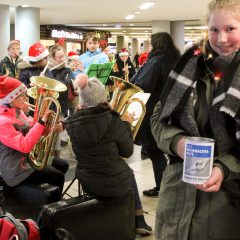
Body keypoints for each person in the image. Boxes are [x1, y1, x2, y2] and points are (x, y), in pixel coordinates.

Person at [151, 0, 240, 239]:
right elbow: (159, 119)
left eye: (230, 29)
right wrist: (177, 142)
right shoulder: (188, 66)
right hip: (177, 193)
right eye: (214, 30)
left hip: (226, 202)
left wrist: (223, 168)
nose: (221, 39)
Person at [64, 74, 152, 236]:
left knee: (119, 168)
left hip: (87, 179)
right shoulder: (113, 120)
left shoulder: (71, 123)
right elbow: (127, 151)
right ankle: (139, 220)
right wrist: (125, 123)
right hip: (113, 181)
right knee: (127, 171)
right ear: (102, 97)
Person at [131, 32, 181, 197]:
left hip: (154, 112)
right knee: (172, 149)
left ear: (157, 45)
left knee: (154, 151)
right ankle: (174, 185)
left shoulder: (156, 62)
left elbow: (142, 85)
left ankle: (162, 187)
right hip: (174, 111)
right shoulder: (177, 61)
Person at [0, 76, 69, 193]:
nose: (26, 98)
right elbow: (24, 146)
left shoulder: (17, 111)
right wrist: (41, 122)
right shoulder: (2, 122)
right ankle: (51, 208)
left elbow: (33, 127)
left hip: (27, 159)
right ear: (10, 99)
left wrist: (53, 124)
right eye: (21, 95)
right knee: (58, 176)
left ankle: (46, 194)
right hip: (16, 169)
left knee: (63, 165)